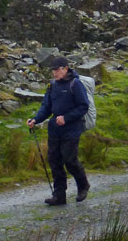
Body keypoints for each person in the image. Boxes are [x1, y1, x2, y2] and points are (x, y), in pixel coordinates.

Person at [27, 57, 90, 206]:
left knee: (69, 160)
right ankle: (59, 195)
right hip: (55, 129)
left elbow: (83, 106)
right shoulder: (52, 85)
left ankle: (83, 185)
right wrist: (35, 119)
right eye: (53, 70)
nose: (55, 73)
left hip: (72, 129)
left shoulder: (76, 84)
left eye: (57, 69)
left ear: (65, 68)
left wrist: (66, 118)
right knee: (54, 161)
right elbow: (46, 107)